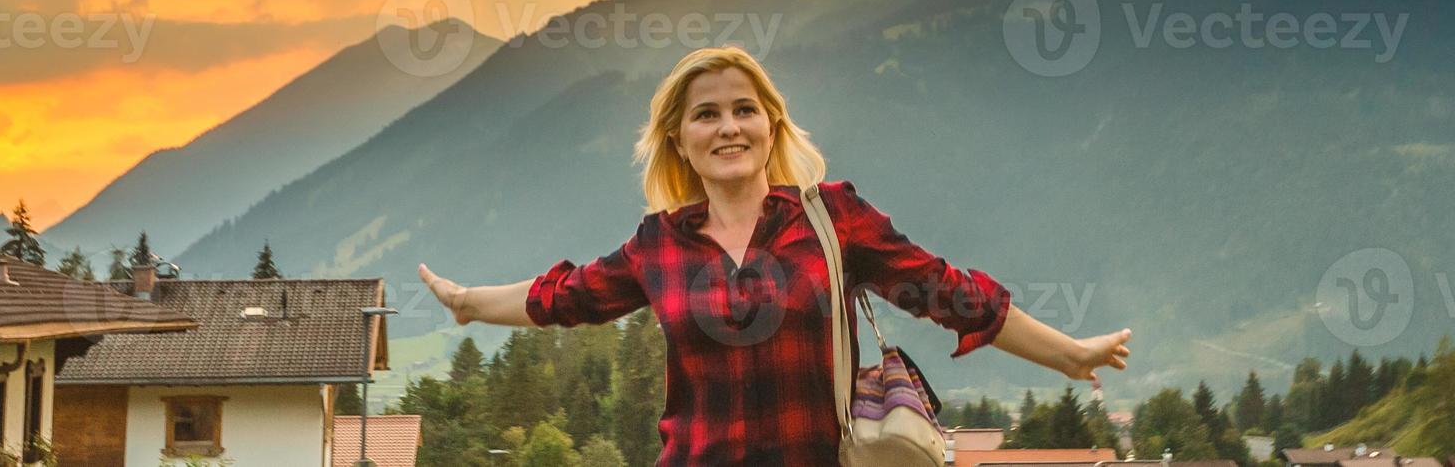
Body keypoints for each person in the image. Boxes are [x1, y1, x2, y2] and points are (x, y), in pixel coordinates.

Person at [419, 45, 1132, 467]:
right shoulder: (658, 244)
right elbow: (564, 297)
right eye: (706, 113)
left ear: (770, 125)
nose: (728, 126)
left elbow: (951, 294)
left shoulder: (833, 218)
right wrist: (468, 306)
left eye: (743, 109)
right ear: (678, 139)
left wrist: (1069, 355)